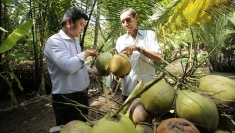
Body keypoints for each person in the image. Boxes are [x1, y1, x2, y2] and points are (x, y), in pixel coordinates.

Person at [44, 6, 102, 126]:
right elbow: (68, 67)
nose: (82, 28)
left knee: (82, 127)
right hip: (67, 100)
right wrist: (86, 53)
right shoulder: (54, 41)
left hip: (82, 96)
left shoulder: (75, 42)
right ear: (70, 22)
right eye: (81, 24)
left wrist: (92, 71)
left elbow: (78, 65)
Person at [115, 8, 163, 102]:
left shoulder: (149, 35)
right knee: (127, 115)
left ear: (136, 17)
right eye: (123, 22)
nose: (125, 24)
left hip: (148, 87)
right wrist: (122, 61)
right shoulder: (120, 41)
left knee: (148, 115)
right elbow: (118, 74)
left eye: (128, 19)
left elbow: (159, 57)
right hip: (128, 88)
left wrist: (139, 48)